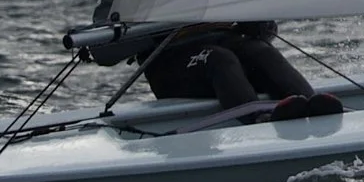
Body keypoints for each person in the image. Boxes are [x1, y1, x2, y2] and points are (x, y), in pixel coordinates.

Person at [144, 22, 343, 121]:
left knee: (262, 52)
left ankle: (313, 106)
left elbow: (267, 31)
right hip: (167, 62)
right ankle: (258, 119)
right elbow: (111, 53)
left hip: (223, 44)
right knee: (218, 58)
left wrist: (257, 24)